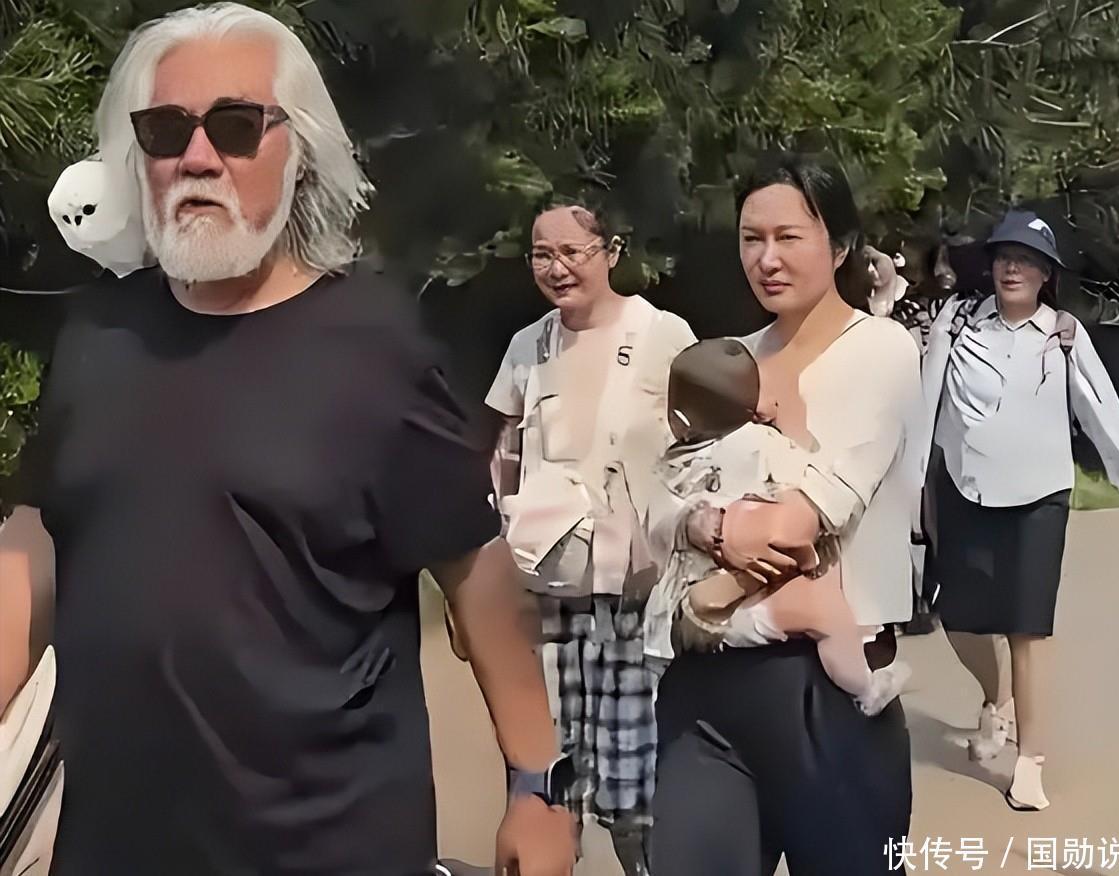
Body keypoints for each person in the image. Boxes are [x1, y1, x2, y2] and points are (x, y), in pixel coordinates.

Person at [0, 5, 576, 874]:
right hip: (115, 847)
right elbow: (37, 542)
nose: (198, 157)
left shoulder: (374, 352)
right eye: (166, 130)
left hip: (325, 844)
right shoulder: (98, 337)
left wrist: (538, 786)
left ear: (297, 151)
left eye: (235, 127)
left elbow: (477, 576)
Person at [644, 152, 920, 875]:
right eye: (751, 238)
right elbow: (656, 505)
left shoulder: (881, 350)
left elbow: (797, 524)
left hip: (829, 694)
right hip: (707, 690)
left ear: (841, 244)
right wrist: (707, 526)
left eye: (788, 237)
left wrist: (712, 544)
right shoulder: (727, 363)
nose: (766, 259)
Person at [485, 203, 695, 875]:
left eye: (572, 252)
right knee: (546, 782)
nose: (557, 268)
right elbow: (503, 453)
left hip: (634, 598)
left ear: (611, 251)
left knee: (639, 792)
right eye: (542, 255)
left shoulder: (662, 334)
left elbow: (701, 445)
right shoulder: (528, 346)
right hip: (545, 595)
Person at [918, 209, 1119, 811]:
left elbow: (1101, 409)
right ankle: (998, 699)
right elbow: (925, 407)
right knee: (959, 617)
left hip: (1041, 497)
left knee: (1028, 626)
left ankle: (1030, 760)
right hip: (965, 488)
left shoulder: (1063, 335)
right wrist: (911, 488)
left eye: (1026, 261)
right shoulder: (957, 323)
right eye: (1003, 258)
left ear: (1046, 275)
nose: (1012, 268)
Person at [644, 337, 910, 716]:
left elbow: (654, 515)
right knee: (830, 616)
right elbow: (803, 491)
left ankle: (661, 689)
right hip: (752, 602)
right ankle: (865, 688)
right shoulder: (760, 444)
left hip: (683, 605)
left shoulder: (671, 461)